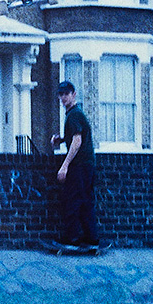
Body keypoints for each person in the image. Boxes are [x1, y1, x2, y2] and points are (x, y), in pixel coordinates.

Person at [51, 80, 98, 249]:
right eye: (61, 94)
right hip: (87, 164)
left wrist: (65, 166)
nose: (63, 97)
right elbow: (76, 137)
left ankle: (72, 238)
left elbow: (77, 141)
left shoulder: (74, 115)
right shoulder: (74, 114)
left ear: (74, 95)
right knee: (85, 201)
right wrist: (62, 139)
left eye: (66, 94)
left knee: (72, 200)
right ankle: (91, 238)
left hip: (80, 165)